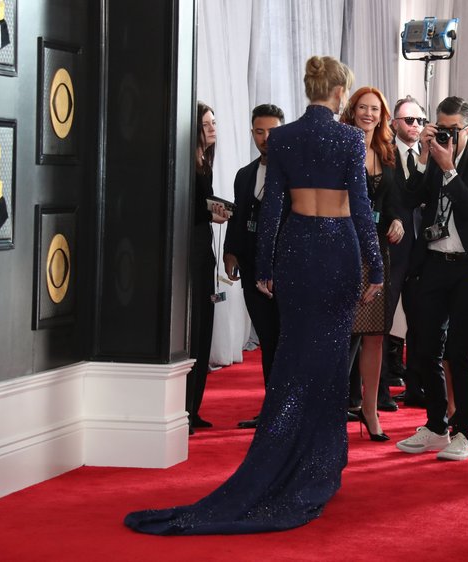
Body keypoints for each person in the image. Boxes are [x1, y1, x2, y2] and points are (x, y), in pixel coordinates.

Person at [125, 55, 383, 534]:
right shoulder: (350, 138)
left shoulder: (283, 138)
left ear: (309, 89)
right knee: (327, 364)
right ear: (338, 91)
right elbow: (362, 209)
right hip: (339, 253)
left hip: (298, 251)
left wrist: (264, 267)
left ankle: (287, 457)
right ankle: (320, 466)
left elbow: (271, 211)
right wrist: (377, 265)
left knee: (291, 357)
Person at [395, 96, 468, 462]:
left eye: (452, 130)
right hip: (433, 262)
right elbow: (410, 197)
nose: (445, 135)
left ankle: (465, 430)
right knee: (425, 347)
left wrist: (448, 168)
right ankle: (436, 425)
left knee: (461, 349)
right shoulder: (432, 155)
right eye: (439, 128)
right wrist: (427, 158)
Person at [340, 86, 404, 441]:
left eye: (374, 109)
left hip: (378, 250)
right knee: (344, 334)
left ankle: (369, 410)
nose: (368, 114)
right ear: (352, 111)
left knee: (375, 337)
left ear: (382, 116)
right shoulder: (340, 147)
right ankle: (334, 407)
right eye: (362, 108)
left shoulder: (387, 152)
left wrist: (397, 220)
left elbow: (395, 202)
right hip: (344, 247)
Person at [223, 104, 284, 430]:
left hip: (288, 272)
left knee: (287, 341)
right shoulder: (245, 174)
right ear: (252, 133)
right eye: (259, 132)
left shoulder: (295, 174)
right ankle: (271, 410)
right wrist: (230, 252)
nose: (266, 138)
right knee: (268, 340)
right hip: (251, 271)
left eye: (272, 132)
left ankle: (290, 411)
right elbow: (237, 218)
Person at [186, 102, 230, 434]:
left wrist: (214, 212)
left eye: (214, 122)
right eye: (206, 123)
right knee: (195, 330)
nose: (213, 128)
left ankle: (193, 408)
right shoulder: (189, 163)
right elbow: (186, 206)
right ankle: (184, 409)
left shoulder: (205, 162)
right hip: (191, 255)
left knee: (206, 331)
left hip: (205, 254)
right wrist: (209, 212)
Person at [388, 96, 427, 409]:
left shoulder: (432, 155)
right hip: (390, 248)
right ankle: (371, 389)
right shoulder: (382, 154)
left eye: (420, 121)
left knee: (421, 322)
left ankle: (416, 387)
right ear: (394, 123)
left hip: (425, 251)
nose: (416, 126)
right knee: (380, 321)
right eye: (409, 120)